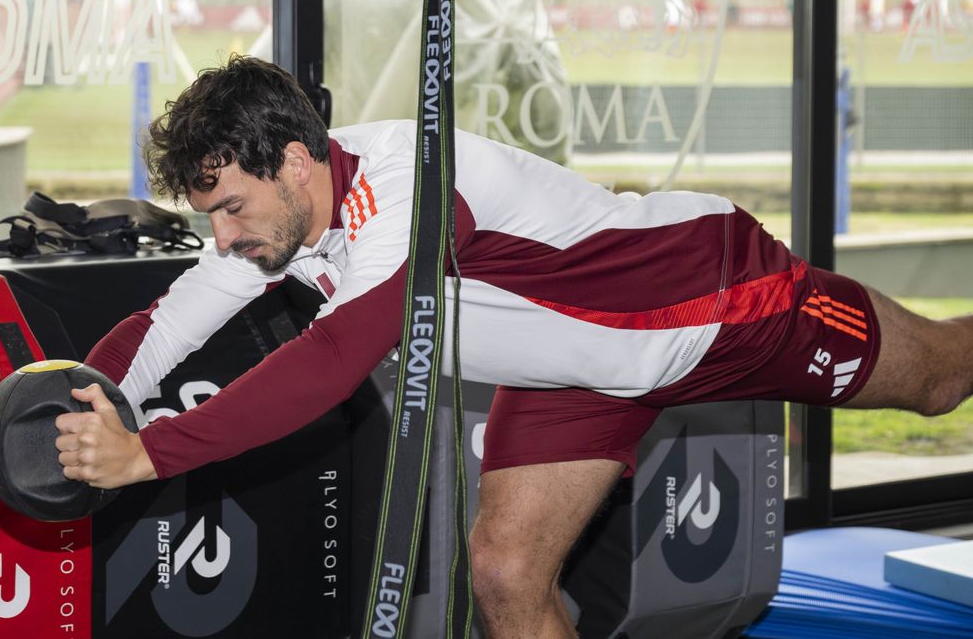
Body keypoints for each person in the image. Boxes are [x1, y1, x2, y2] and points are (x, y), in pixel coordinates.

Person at [55, 55, 973, 639]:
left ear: (297, 161)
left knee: (938, 380)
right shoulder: (279, 223)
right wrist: (80, 396)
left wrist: (148, 454)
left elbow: (332, 364)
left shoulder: (409, 190)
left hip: (711, 304)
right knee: (503, 573)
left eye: (227, 208)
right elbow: (170, 320)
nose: (221, 236)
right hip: (572, 371)